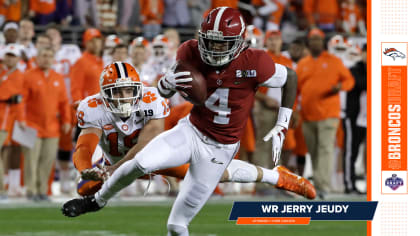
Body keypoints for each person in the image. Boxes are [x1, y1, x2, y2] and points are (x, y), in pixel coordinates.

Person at [62, 8, 315, 235]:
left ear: (238, 43)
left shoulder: (255, 62)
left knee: (176, 225)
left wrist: (283, 120)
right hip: (191, 130)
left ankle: (276, 176)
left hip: (221, 146)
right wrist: (166, 84)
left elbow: (289, 77)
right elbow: (163, 92)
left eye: (221, 43)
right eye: (210, 42)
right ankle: (96, 202)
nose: (214, 49)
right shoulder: (190, 51)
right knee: (140, 162)